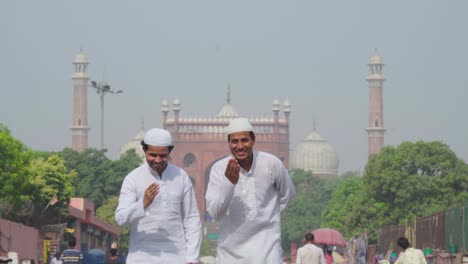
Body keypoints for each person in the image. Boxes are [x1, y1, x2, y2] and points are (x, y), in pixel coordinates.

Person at [206, 117, 296, 263]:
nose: (240, 146)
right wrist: (229, 184)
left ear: (253, 140)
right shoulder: (219, 169)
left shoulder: (271, 164)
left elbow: (288, 195)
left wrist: (268, 214)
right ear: (228, 143)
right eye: (234, 141)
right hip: (230, 253)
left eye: (244, 140)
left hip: (267, 248)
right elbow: (215, 213)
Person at [115, 128, 202, 264]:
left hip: (176, 256)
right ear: (144, 150)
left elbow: (191, 219)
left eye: (162, 155)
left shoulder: (181, 177)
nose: (157, 160)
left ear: (169, 151)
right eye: (152, 155)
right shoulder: (133, 178)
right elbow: (121, 219)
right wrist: (142, 203)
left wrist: (192, 257)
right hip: (141, 256)